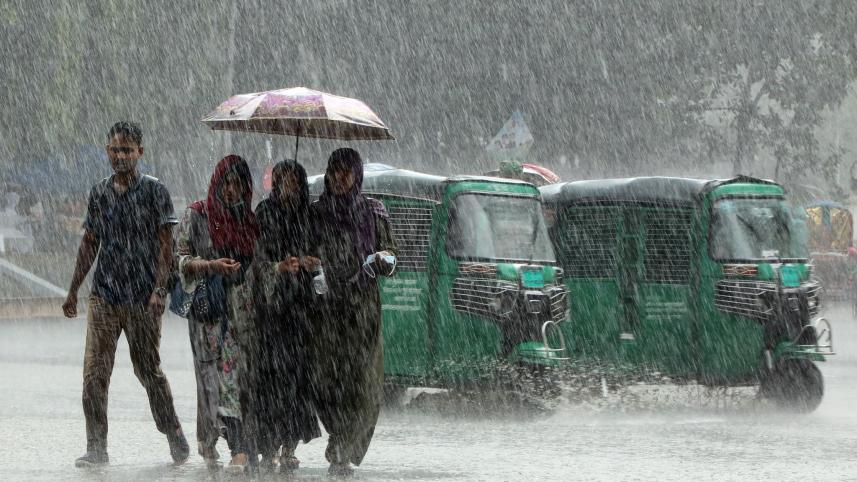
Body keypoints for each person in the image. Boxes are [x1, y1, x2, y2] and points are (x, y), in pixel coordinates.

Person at [62, 121, 189, 467]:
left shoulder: (154, 192)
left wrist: (160, 290)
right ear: (107, 151)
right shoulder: (99, 193)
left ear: (140, 153)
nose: (120, 156)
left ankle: (172, 428)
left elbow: (167, 245)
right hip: (104, 295)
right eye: (115, 149)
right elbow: (90, 242)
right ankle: (96, 446)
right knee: (94, 374)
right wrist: (74, 290)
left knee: (148, 370)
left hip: (142, 297)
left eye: (127, 150)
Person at [309, 148, 398, 476]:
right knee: (324, 380)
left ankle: (345, 448)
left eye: (346, 172)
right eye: (334, 171)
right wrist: (311, 267)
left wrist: (380, 259)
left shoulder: (374, 211)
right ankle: (337, 434)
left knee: (363, 384)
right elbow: (302, 250)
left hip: (362, 310)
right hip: (325, 308)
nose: (339, 179)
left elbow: (392, 255)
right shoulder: (314, 213)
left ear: (357, 175)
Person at [175, 154, 258, 473]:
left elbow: (257, 265)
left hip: (240, 313)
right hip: (207, 312)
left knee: (231, 379)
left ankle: (239, 448)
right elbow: (179, 259)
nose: (232, 190)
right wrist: (209, 266)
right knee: (209, 381)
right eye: (228, 182)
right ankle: (209, 439)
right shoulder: (197, 215)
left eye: (239, 184)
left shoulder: (249, 221)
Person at [252, 160, 321, 472]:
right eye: (283, 180)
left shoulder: (312, 214)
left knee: (296, 380)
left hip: (303, 309)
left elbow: (323, 254)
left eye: (295, 181)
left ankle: (290, 445)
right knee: (270, 380)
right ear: (275, 182)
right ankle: (267, 448)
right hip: (272, 310)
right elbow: (255, 257)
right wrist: (278, 267)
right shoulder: (264, 214)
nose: (289, 186)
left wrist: (312, 263)